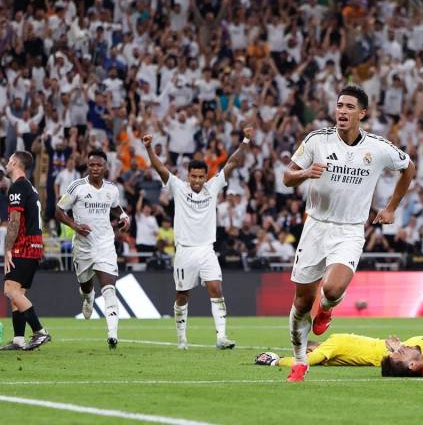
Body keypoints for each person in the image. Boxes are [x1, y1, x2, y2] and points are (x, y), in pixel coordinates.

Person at [282, 85, 416, 382]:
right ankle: (300, 361)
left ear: (362, 113)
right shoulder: (317, 140)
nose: (342, 111)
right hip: (316, 226)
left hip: (350, 230)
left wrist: (392, 207)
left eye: (349, 107)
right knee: (302, 303)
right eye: (339, 105)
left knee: (331, 290)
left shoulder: (378, 148)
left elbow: (409, 168)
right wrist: (305, 173)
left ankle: (327, 310)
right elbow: (287, 176)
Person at [142, 128, 250, 350]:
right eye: (194, 176)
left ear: (206, 176)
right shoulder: (179, 188)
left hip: (206, 250)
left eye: (201, 176)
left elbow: (231, 163)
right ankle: (182, 339)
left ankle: (221, 336)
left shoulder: (213, 187)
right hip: (185, 251)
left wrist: (246, 140)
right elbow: (160, 167)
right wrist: (149, 148)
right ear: (188, 175)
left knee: (216, 288)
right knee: (182, 294)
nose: (198, 180)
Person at [55, 150, 131, 349]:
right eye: (92, 165)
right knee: (86, 286)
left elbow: (115, 207)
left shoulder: (112, 189)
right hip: (83, 246)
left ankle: (112, 334)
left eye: (99, 165)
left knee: (109, 288)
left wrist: (123, 216)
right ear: (87, 166)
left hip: (105, 243)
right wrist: (75, 226)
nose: (95, 168)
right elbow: (59, 211)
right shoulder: (77, 187)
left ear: (105, 167)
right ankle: (88, 298)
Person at [1, 151, 50, 351]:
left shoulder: (18, 187)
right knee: (18, 293)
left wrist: (8, 249)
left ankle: (40, 332)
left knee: (10, 290)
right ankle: (18, 339)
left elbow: (14, 221)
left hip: (24, 245)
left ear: (14, 162)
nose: (6, 163)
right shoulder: (30, 187)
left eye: (9, 160)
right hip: (35, 244)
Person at [255, 334, 423, 367]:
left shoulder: (333, 343)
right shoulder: (337, 343)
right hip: (405, 348)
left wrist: (276, 360)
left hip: (403, 351)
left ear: (313, 348)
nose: (309, 355)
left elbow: (304, 362)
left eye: (309, 352)